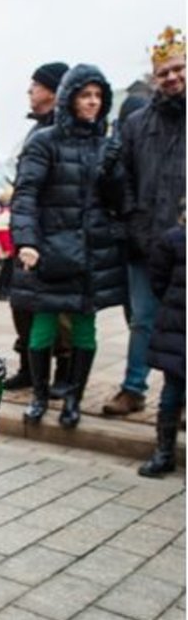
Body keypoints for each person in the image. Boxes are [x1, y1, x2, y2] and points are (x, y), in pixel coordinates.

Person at [10, 63, 126, 428]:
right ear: (70, 98)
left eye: (98, 96)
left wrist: (113, 171)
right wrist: (26, 240)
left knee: (83, 330)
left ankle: (73, 399)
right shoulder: (44, 142)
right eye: (85, 95)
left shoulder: (106, 145)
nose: (92, 102)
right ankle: (41, 397)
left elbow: (117, 200)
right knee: (41, 327)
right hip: (50, 252)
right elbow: (25, 195)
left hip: (90, 253)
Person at [103, 26, 186, 416]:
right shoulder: (137, 124)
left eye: (178, 69)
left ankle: (178, 400)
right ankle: (134, 387)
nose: (172, 77)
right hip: (147, 240)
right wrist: (134, 225)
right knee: (143, 319)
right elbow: (126, 181)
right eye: (164, 72)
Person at [4, 61, 70, 391]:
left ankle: (64, 372)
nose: (30, 91)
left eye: (36, 85)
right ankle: (29, 368)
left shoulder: (67, 128)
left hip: (57, 230)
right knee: (23, 301)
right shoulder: (35, 129)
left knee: (59, 308)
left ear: (54, 90)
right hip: (27, 228)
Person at [138, 199, 185, 477]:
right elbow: (158, 280)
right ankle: (164, 452)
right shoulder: (173, 240)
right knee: (171, 393)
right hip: (178, 326)